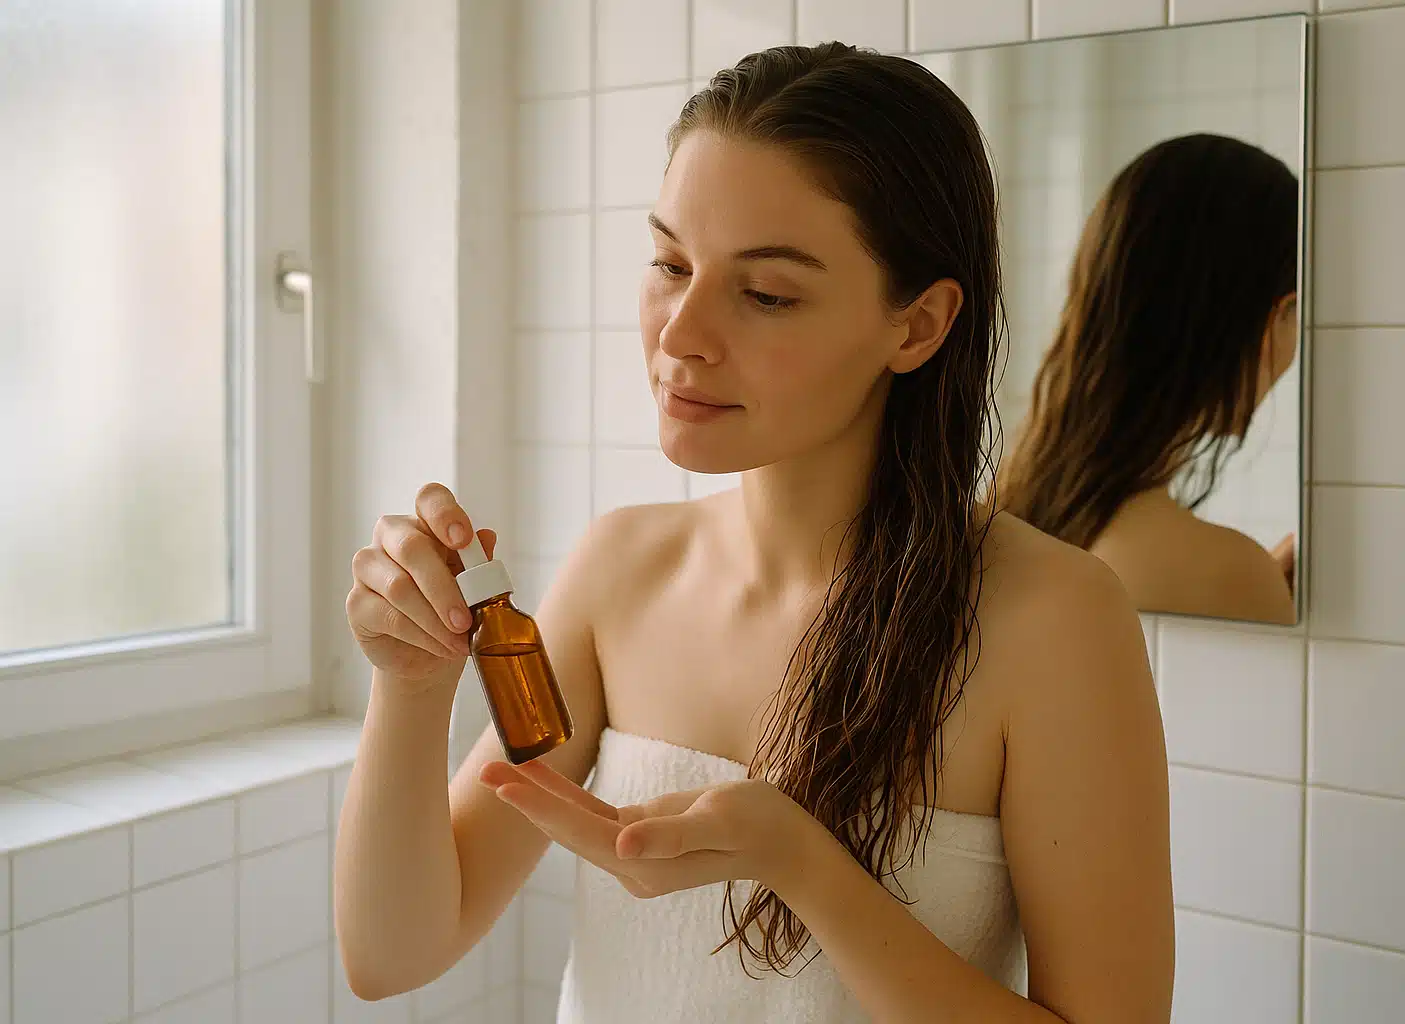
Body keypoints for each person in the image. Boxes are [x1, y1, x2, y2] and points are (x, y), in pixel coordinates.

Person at [335, 43, 1173, 1024]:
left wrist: (807, 867)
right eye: (670, 263)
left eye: (766, 292)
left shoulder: (1052, 619)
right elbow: (391, 952)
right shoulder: (620, 572)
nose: (680, 332)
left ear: (918, 327)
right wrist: (411, 686)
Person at [998, 133, 1300, 626]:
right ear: (1271, 317)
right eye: (1294, 314)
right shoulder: (1227, 575)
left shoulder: (996, 518)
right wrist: (1257, 588)